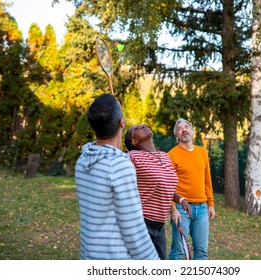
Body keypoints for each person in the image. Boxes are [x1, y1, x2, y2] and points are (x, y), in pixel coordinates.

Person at [74, 93, 159, 260]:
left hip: (89, 256)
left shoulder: (82, 161)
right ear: (122, 123)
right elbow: (134, 232)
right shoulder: (119, 166)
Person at [124, 123, 192, 260]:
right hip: (141, 223)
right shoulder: (132, 157)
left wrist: (180, 199)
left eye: (143, 125)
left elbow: (165, 186)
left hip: (159, 225)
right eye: (137, 128)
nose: (143, 125)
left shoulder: (165, 157)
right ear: (134, 141)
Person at [168, 118, 216, 260]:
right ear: (177, 136)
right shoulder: (171, 155)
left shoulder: (202, 153)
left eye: (187, 127)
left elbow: (207, 180)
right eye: (180, 129)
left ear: (192, 131)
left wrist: (211, 204)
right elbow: (168, 185)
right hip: (181, 208)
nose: (184, 130)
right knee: (178, 251)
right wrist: (173, 209)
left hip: (201, 209)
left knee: (201, 252)